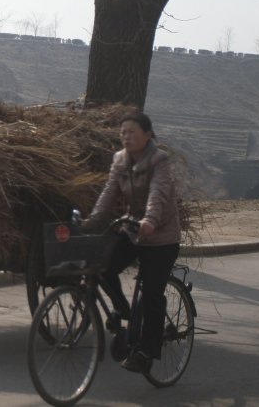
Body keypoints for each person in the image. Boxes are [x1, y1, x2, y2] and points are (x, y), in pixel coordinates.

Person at [81, 112, 181, 374]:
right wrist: (90, 222)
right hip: (132, 230)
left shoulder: (160, 160)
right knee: (103, 266)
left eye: (132, 131)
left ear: (148, 135)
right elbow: (108, 193)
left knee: (151, 294)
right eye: (123, 132)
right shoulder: (119, 160)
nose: (126, 136)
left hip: (160, 236)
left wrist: (150, 219)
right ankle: (124, 312)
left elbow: (158, 193)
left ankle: (147, 351)